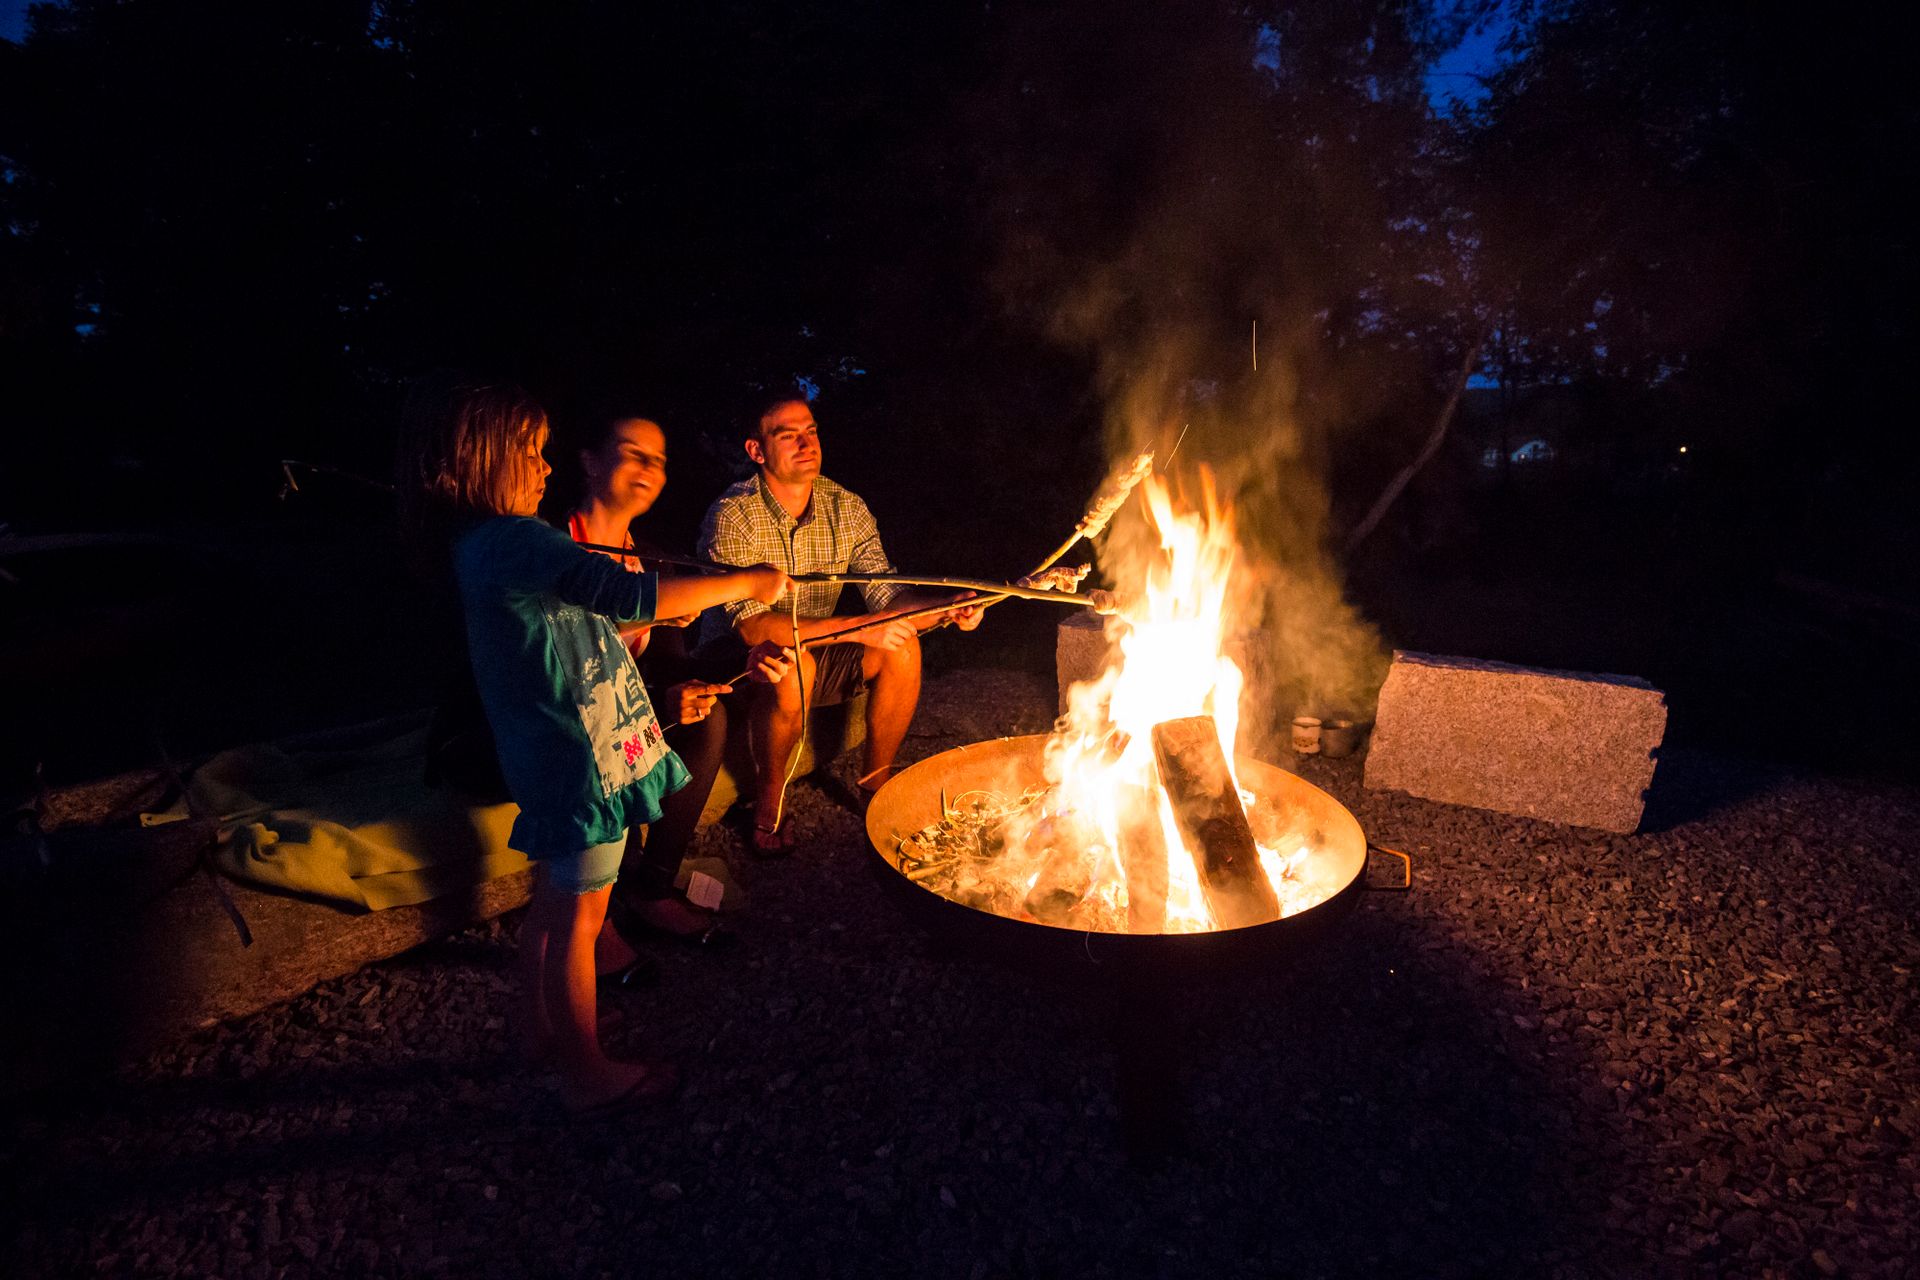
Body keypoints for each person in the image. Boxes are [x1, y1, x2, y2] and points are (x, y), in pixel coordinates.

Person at [396, 378, 791, 1115]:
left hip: (547, 751)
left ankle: (542, 1034)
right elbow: (632, 598)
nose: (545, 470)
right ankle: (586, 1071)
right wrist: (748, 580)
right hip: (577, 759)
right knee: (581, 917)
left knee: (554, 908)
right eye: (531, 453)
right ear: (480, 461)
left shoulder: (481, 546)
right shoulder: (516, 540)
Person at [696, 393, 981, 856]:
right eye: (788, 435)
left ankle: (875, 786)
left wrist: (947, 607)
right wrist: (860, 628)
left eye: (810, 431)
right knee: (792, 667)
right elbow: (752, 629)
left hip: (813, 648)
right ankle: (769, 800)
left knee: (902, 645)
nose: (806, 443)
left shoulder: (844, 507)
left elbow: (888, 595)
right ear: (756, 450)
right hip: (736, 666)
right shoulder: (733, 515)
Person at [566, 412, 792, 943]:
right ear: (591, 461)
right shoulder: (558, 548)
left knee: (704, 717)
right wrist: (748, 583)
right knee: (633, 736)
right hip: (562, 716)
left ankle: (651, 888)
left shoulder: (644, 558)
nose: (649, 468)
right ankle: (597, 917)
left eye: (659, 460)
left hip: (619, 709)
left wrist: (746, 666)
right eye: (633, 453)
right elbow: (572, 672)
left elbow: (666, 664)